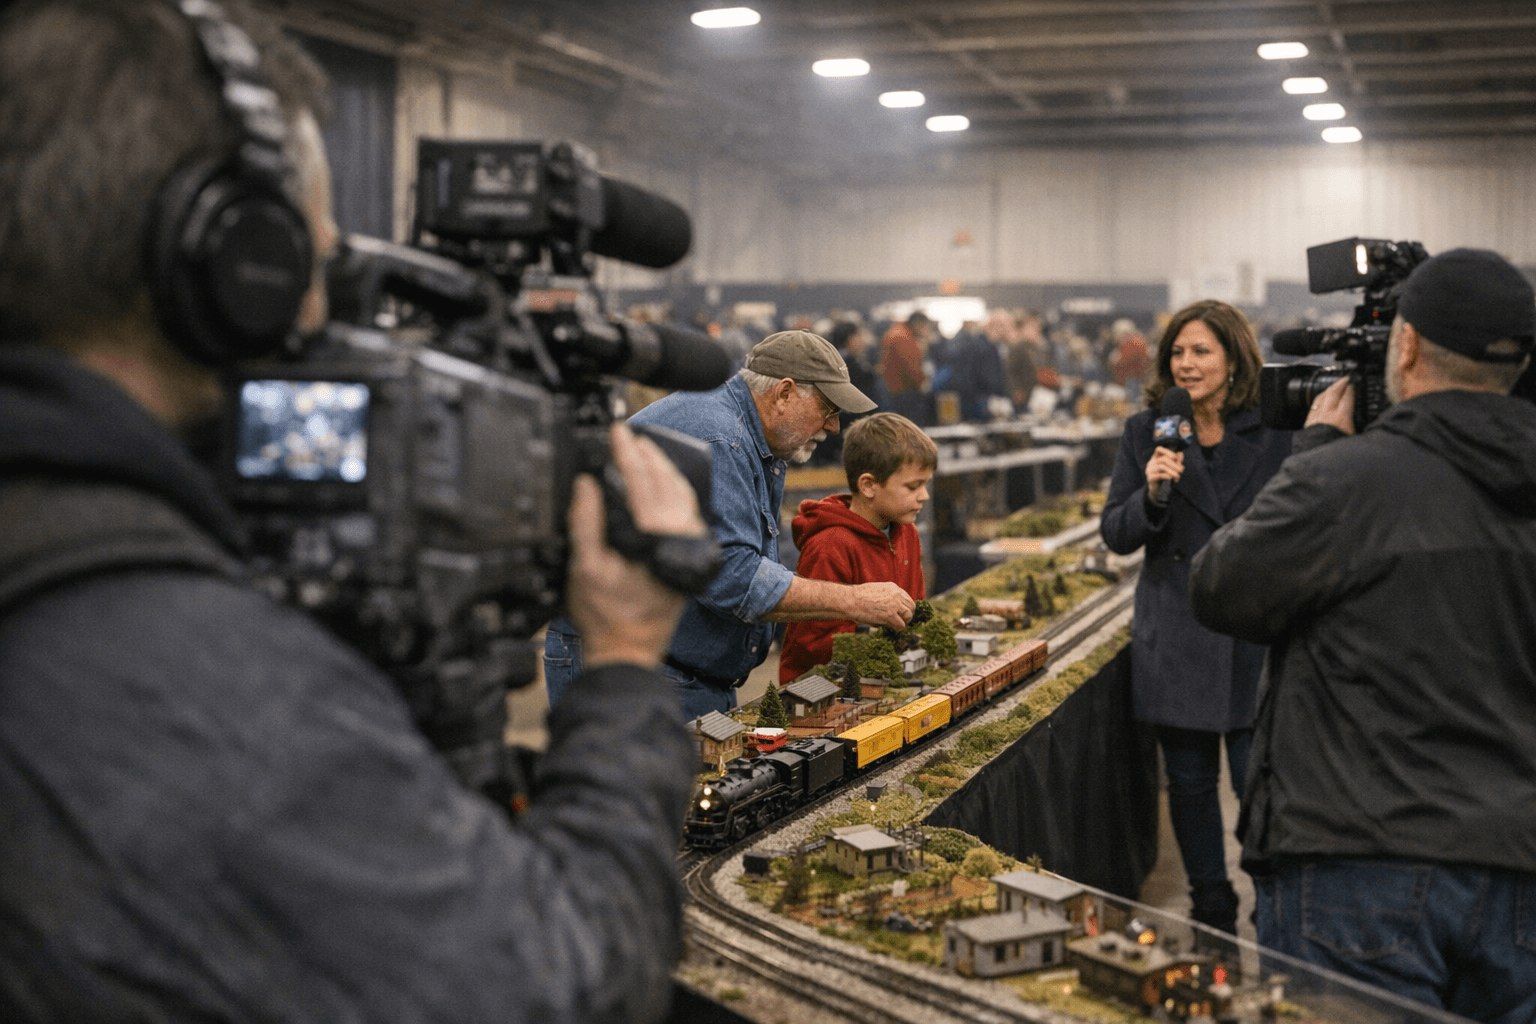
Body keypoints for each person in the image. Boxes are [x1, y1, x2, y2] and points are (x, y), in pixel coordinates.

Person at [0, 3, 708, 1019]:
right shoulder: (202, 685)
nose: (326, 310)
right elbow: (564, 981)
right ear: (227, 259)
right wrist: (629, 666)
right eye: (314, 261)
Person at [1189, 248, 1536, 1022]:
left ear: (1405, 347)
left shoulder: (1351, 481)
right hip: (1520, 869)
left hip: (1359, 871)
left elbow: (1220, 587)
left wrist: (1313, 452)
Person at [544, 330, 917, 719]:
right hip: (633, 663)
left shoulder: (751, 435)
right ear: (785, 393)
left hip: (671, 665)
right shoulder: (723, 438)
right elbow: (735, 580)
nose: (835, 426)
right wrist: (855, 601)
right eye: (828, 408)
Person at [1098, 299, 1293, 935]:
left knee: (1258, 783)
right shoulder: (1145, 431)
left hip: (1252, 632)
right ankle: (1212, 916)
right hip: (1177, 632)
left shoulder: (1274, 430)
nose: (1186, 363)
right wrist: (1152, 492)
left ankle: (1276, 910)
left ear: (1236, 360)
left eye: (1201, 351)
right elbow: (1117, 534)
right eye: (1178, 352)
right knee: (1188, 787)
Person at [778, 413, 935, 683]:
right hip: (828, 692)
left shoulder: (907, 532)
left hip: (888, 679)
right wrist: (881, 642)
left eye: (926, 484)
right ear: (869, 485)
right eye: (913, 486)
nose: (925, 496)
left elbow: (915, 606)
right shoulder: (829, 546)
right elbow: (813, 645)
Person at [879, 310, 933, 427]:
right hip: (904, 390)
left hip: (895, 389)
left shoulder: (897, 332)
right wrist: (921, 383)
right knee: (912, 427)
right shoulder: (903, 337)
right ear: (918, 323)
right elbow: (910, 367)